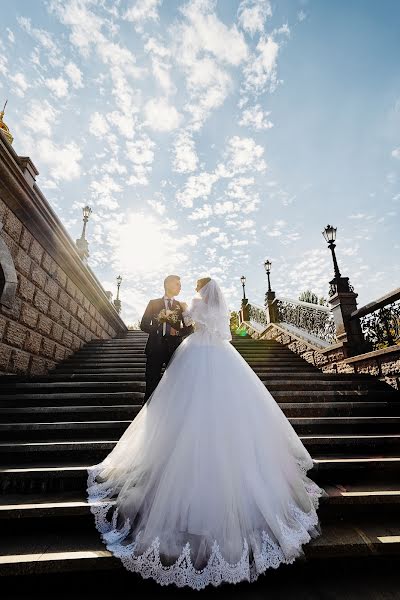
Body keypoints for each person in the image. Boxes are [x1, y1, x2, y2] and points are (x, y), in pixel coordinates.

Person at [87, 277, 327, 590]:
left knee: (185, 401)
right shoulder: (213, 309)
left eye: (195, 285)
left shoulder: (195, 306)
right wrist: (170, 322)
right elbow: (214, 330)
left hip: (195, 353)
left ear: (201, 291)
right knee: (224, 405)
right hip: (219, 354)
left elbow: (188, 324)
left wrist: (181, 321)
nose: (192, 288)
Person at [139, 274, 193, 403]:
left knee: (175, 383)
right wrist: (157, 329)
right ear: (168, 284)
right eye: (177, 284)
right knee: (151, 384)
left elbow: (190, 328)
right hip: (154, 348)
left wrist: (178, 333)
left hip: (175, 350)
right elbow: (143, 325)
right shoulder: (153, 303)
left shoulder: (181, 305)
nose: (180, 287)